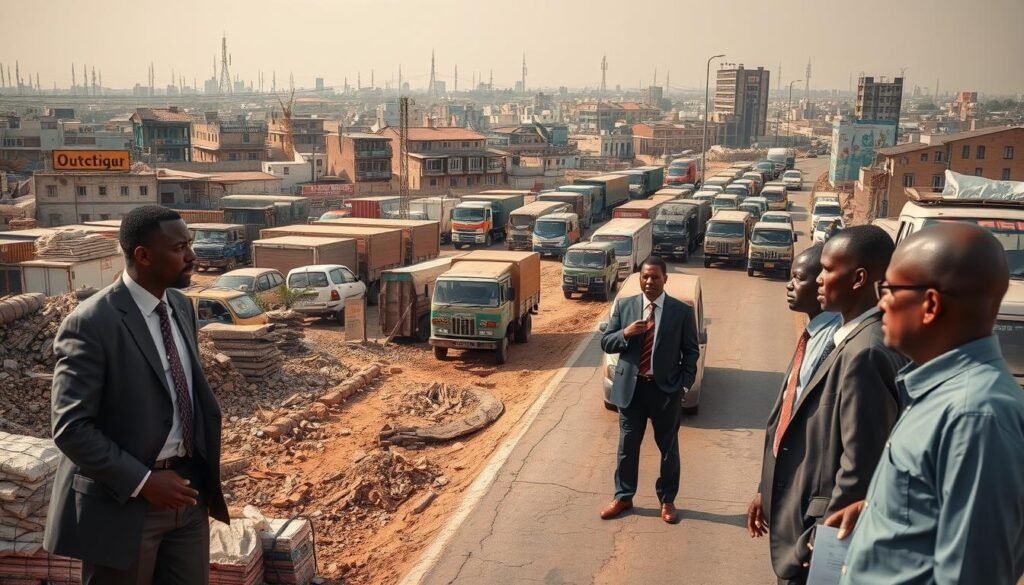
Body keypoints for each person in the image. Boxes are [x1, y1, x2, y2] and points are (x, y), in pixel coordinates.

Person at [825, 223, 1024, 584]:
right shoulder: (939, 391)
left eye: (890, 289)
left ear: (930, 304)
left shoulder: (976, 415)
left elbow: (970, 574)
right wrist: (879, 513)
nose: (881, 302)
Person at [44, 206, 229, 584]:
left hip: (186, 495)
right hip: (124, 506)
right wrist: (144, 481)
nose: (191, 256)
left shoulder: (180, 306)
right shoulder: (91, 323)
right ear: (143, 256)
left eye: (189, 244)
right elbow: (71, 427)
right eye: (179, 247)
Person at [753, 225, 906, 584]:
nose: (818, 280)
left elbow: (860, 467)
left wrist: (819, 541)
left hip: (816, 540)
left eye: (827, 270)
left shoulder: (866, 352)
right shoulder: (850, 338)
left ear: (859, 278)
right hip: (801, 520)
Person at [747, 245, 841, 584]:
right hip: (787, 500)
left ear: (822, 285)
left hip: (812, 518)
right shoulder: (813, 335)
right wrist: (765, 490)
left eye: (798, 278)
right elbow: (784, 421)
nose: (789, 285)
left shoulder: (839, 344)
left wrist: (823, 528)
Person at [599, 256, 700, 524]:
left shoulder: (680, 312)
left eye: (655, 277)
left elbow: (691, 352)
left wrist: (684, 385)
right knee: (627, 447)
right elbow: (606, 343)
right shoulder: (625, 306)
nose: (649, 281)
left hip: (665, 392)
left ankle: (667, 500)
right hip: (631, 391)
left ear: (665, 279)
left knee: (668, 449)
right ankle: (623, 496)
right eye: (645, 276)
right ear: (639, 278)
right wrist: (626, 334)